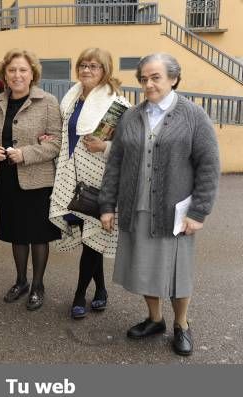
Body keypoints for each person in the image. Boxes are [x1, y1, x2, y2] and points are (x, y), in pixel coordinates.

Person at [99, 53, 220, 356]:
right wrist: (107, 205)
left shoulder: (194, 115)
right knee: (145, 268)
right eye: (144, 78)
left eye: (156, 77)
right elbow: (115, 163)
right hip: (136, 207)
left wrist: (198, 212)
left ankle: (181, 324)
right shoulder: (129, 115)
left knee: (178, 272)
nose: (148, 84)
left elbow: (208, 166)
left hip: (174, 212)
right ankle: (155, 319)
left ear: (174, 78)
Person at [47, 48, 128, 319]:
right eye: (82, 65)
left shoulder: (116, 105)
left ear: (105, 70)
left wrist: (105, 146)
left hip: (100, 182)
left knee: (93, 237)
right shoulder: (71, 99)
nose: (86, 70)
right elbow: (65, 134)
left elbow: (129, 146)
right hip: (72, 178)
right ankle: (101, 290)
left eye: (93, 66)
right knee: (89, 237)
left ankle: (80, 295)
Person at [0, 49, 62, 311]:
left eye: (23, 70)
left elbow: (56, 143)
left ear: (32, 74)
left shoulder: (48, 102)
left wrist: (26, 153)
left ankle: (38, 285)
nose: (17, 75)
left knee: (38, 235)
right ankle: (20, 281)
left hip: (38, 179)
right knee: (17, 234)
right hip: (6, 179)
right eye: (12, 70)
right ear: (4, 75)